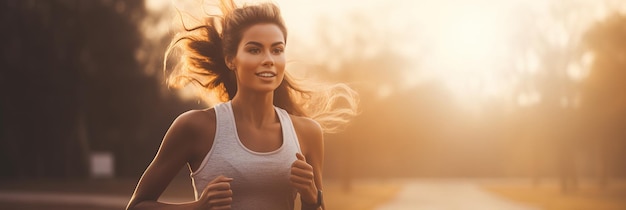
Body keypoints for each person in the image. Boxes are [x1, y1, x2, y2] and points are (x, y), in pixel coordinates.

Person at [126, 0, 358, 209]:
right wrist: (198, 207)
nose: (268, 59)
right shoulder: (196, 127)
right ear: (231, 59)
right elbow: (137, 205)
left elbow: (317, 206)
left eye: (277, 50)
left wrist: (310, 197)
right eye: (254, 49)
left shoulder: (307, 132)